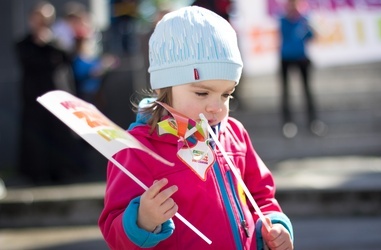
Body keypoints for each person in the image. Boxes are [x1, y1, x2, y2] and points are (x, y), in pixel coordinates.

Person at [99, 6, 293, 249]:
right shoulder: (136, 149)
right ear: (163, 88)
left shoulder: (234, 134)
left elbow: (261, 195)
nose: (216, 107)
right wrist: (142, 221)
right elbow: (113, 230)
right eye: (202, 92)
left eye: (226, 94)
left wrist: (275, 225)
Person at [15, 1, 85, 185]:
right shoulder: (24, 44)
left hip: (56, 97)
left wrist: (49, 43)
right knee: (35, 137)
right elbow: (28, 61)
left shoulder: (56, 43)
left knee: (59, 135)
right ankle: (35, 174)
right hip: (33, 99)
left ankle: (61, 171)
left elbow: (68, 58)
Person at [278, 0, 327, 138]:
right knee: (286, 92)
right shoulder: (283, 19)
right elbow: (289, 36)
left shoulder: (305, 19)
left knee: (307, 91)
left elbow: (311, 37)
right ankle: (287, 123)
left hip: (302, 58)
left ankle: (313, 122)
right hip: (286, 58)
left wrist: (310, 26)